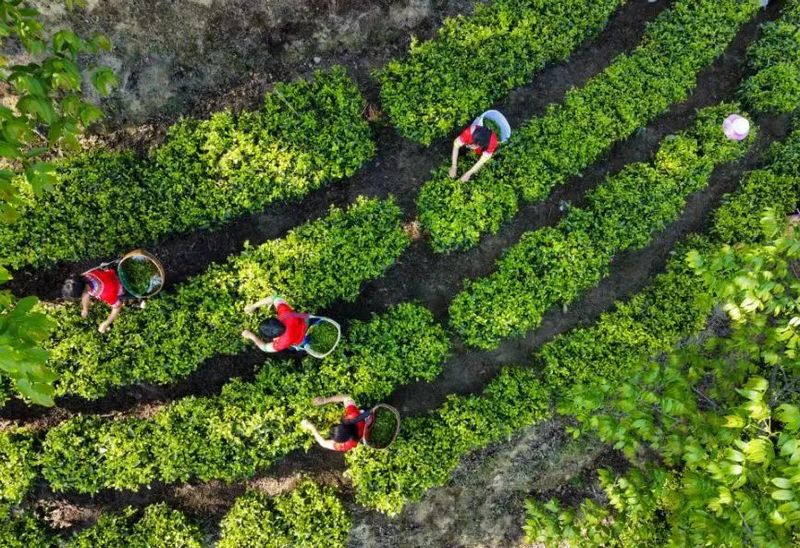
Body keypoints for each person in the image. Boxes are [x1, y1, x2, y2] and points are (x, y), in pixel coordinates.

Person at [241, 295, 318, 353]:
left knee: (292, 347)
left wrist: (251, 336)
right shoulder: (285, 314)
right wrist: (254, 306)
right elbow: (275, 297)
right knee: (306, 318)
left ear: (276, 337)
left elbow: (264, 347)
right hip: (308, 322)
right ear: (276, 318)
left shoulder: (282, 343)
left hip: (303, 340)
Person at [62, 267, 128, 333]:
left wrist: (106, 323)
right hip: (112, 274)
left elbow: (117, 306)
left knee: (120, 294)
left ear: (83, 293)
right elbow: (86, 293)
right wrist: (85, 309)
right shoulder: (84, 276)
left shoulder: (104, 293)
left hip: (121, 285)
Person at [300, 394, 371, 452]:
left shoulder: (347, 445)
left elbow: (323, 443)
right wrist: (325, 400)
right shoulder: (352, 416)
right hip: (367, 419)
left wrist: (311, 427)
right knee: (363, 412)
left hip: (366, 434)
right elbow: (346, 397)